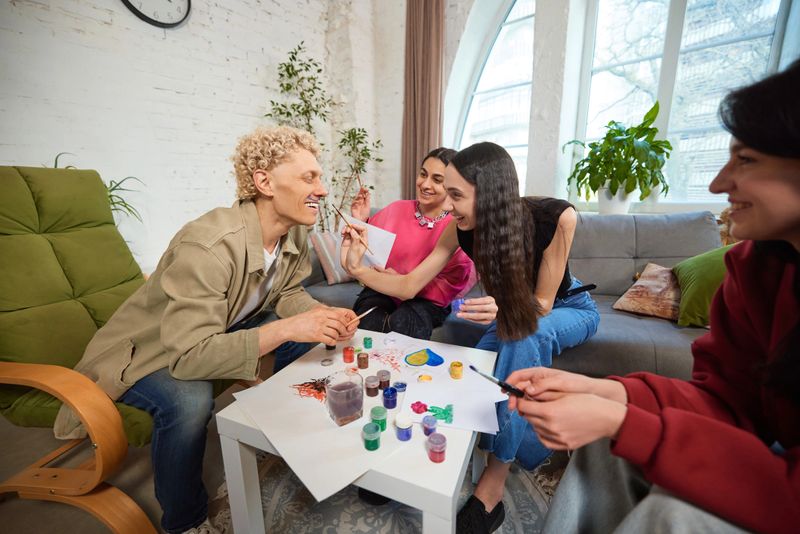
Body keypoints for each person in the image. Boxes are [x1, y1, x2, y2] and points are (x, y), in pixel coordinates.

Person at [506, 60, 800, 534]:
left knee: (668, 513)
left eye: (746, 160)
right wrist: (606, 392)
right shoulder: (754, 269)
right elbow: (727, 402)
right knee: (603, 439)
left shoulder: (555, 216)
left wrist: (625, 420)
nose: (717, 184)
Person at [53, 126, 359, 534]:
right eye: (309, 177)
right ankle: (186, 521)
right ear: (264, 182)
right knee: (189, 399)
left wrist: (321, 315)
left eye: (320, 177)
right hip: (147, 352)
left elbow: (287, 292)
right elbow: (187, 356)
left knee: (303, 335)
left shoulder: (294, 231)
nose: (322, 190)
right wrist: (291, 327)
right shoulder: (210, 245)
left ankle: (287, 437)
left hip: (214, 330)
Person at [341, 142, 600, 532]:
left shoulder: (555, 218)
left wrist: (507, 309)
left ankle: (491, 490)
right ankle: (421, 457)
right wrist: (357, 269)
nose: (447, 206)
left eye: (456, 196)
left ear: (490, 194)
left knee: (521, 338)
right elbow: (410, 285)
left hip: (566, 308)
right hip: (515, 316)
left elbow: (543, 303)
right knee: (465, 373)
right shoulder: (460, 230)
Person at [348, 147, 475, 339]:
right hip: (384, 291)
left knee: (404, 324)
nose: (425, 184)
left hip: (427, 300)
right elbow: (370, 252)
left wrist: (401, 280)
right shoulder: (396, 209)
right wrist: (361, 221)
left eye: (437, 180)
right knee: (369, 322)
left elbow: (452, 282)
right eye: (423, 174)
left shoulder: (457, 225)